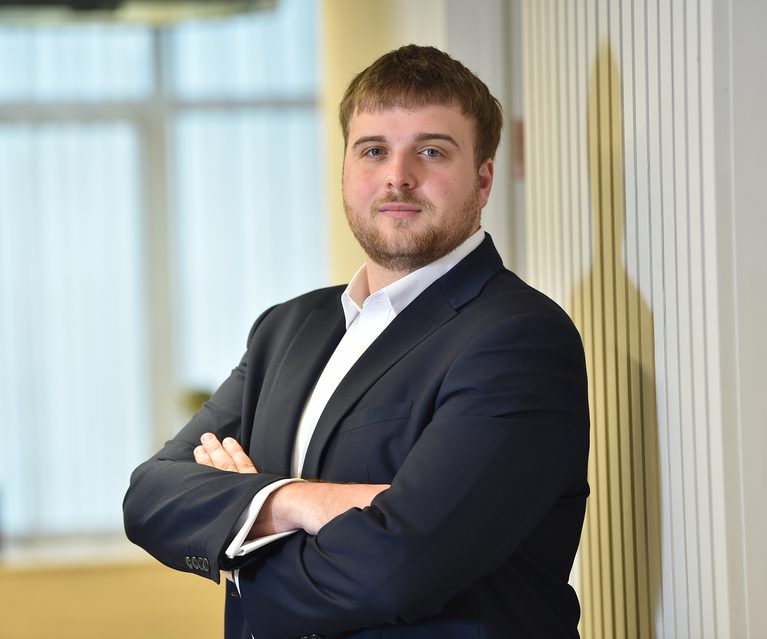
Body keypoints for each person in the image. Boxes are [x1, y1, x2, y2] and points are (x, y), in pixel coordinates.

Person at [123, 44, 589, 639]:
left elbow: (399, 568)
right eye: (373, 150)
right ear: (345, 169)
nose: (398, 176)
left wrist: (238, 542)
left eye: (431, 150)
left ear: (483, 178)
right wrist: (292, 501)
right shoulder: (285, 330)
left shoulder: (518, 339)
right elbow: (151, 496)